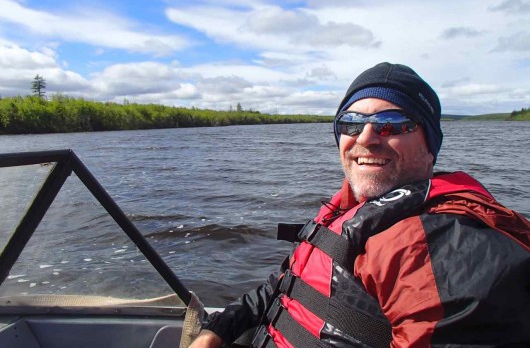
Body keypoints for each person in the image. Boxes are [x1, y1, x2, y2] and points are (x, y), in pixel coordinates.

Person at [190, 62, 530, 348]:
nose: (366, 138)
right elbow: (285, 284)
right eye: (351, 123)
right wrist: (218, 329)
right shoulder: (352, 210)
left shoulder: (445, 242)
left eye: (393, 123)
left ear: (429, 146)